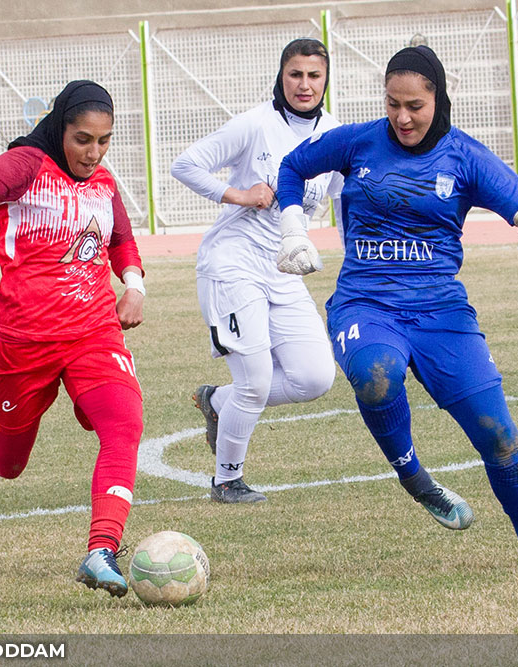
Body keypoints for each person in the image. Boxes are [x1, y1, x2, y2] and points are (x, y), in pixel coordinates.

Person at [276, 45, 518, 569]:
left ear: (438, 99)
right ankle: (415, 477)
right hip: (365, 302)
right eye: (393, 103)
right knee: (375, 374)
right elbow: (292, 167)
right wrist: (292, 230)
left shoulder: (464, 155)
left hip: (441, 310)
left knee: (499, 435)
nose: (402, 117)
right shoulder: (358, 142)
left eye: (414, 105)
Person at [0, 80, 147, 596]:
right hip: (25, 343)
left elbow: (121, 239)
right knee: (11, 463)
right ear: (60, 128)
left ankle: (101, 549)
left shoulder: (103, 182)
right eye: (83, 139)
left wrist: (134, 287)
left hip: (93, 332)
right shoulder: (29, 164)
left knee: (124, 424)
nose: (94, 152)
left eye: (104, 141)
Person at [170, 39, 343, 503]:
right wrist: (240, 194)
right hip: (232, 265)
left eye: (314, 75)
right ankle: (227, 480)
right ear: (281, 76)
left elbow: (347, 195)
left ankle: (216, 402)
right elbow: (185, 165)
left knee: (314, 377)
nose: (304, 84)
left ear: (326, 80)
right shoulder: (254, 125)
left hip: (283, 271)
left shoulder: (335, 134)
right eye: (295, 74)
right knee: (255, 382)